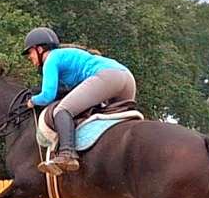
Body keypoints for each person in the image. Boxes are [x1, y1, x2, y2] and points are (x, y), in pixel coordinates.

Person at [23, 27, 136, 174]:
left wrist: (32, 101)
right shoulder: (67, 57)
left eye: (30, 53)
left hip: (108, 77)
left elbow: (47, 96)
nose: (30, 58)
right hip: (127, 79)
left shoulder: (51, 59)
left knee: (62, 110)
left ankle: (67, 154)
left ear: (39, 49)